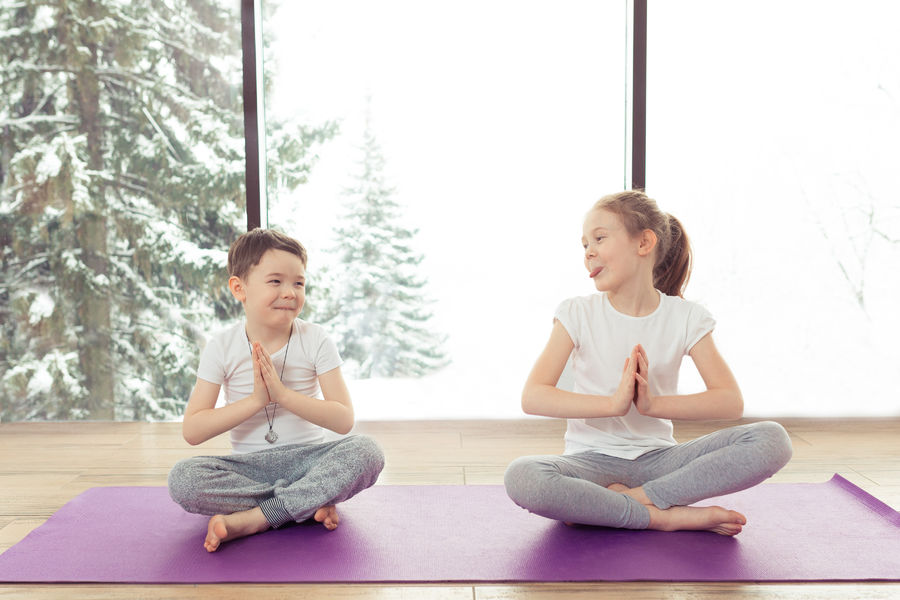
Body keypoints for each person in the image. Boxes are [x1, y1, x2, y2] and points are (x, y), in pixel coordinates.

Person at [504, 190, 792, 536]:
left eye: (599, 238)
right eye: (584, 245)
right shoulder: (576, 313)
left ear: (644, 243)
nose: (588, 252)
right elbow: (533, 396)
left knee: (772, 439)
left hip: (660, 461)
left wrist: (652, 404)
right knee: (523, 476)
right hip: (589, 461)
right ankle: (664, 516)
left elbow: (729, 401)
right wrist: (613, 405)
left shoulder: (686, 317)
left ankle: (626, 502)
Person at [168, 228, 384, 552]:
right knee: (183, 479)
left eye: (299, 283)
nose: (290, 292)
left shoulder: (316, 339)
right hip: (249, 469)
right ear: (239, 288)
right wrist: (257, 401)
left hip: (309, 460)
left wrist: (283, 396)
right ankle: (305, 504)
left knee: (368, 452)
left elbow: (342, 420)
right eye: (275, 281)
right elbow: (193, 430)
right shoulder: (221, 347)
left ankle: (256, 517)